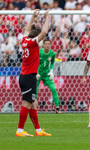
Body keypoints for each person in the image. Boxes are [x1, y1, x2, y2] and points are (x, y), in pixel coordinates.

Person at [16, 9, 51, 137]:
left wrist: (33, 16)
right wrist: (47, 16)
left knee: (34, 102)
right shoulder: (32, 43)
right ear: (36, 38)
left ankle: (38, 130)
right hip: (29, 77)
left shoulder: (24, 40)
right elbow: (44, 32)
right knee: (27, 103)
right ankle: (20, 130)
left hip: (25, 75)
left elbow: (26, 29)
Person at [36, 39, 62, 114]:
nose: (47, 45)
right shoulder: (39, 52)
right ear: (43, 45)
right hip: (39, 73)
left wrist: (51, 71)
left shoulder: (52, 53)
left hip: (47, 73)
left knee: (53, 89)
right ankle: (33, 108)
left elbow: (53, 62)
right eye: (46, 44)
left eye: (48, 44)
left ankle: (57, 108)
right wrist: (36, 72)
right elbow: (35, 61)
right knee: (35, 91)